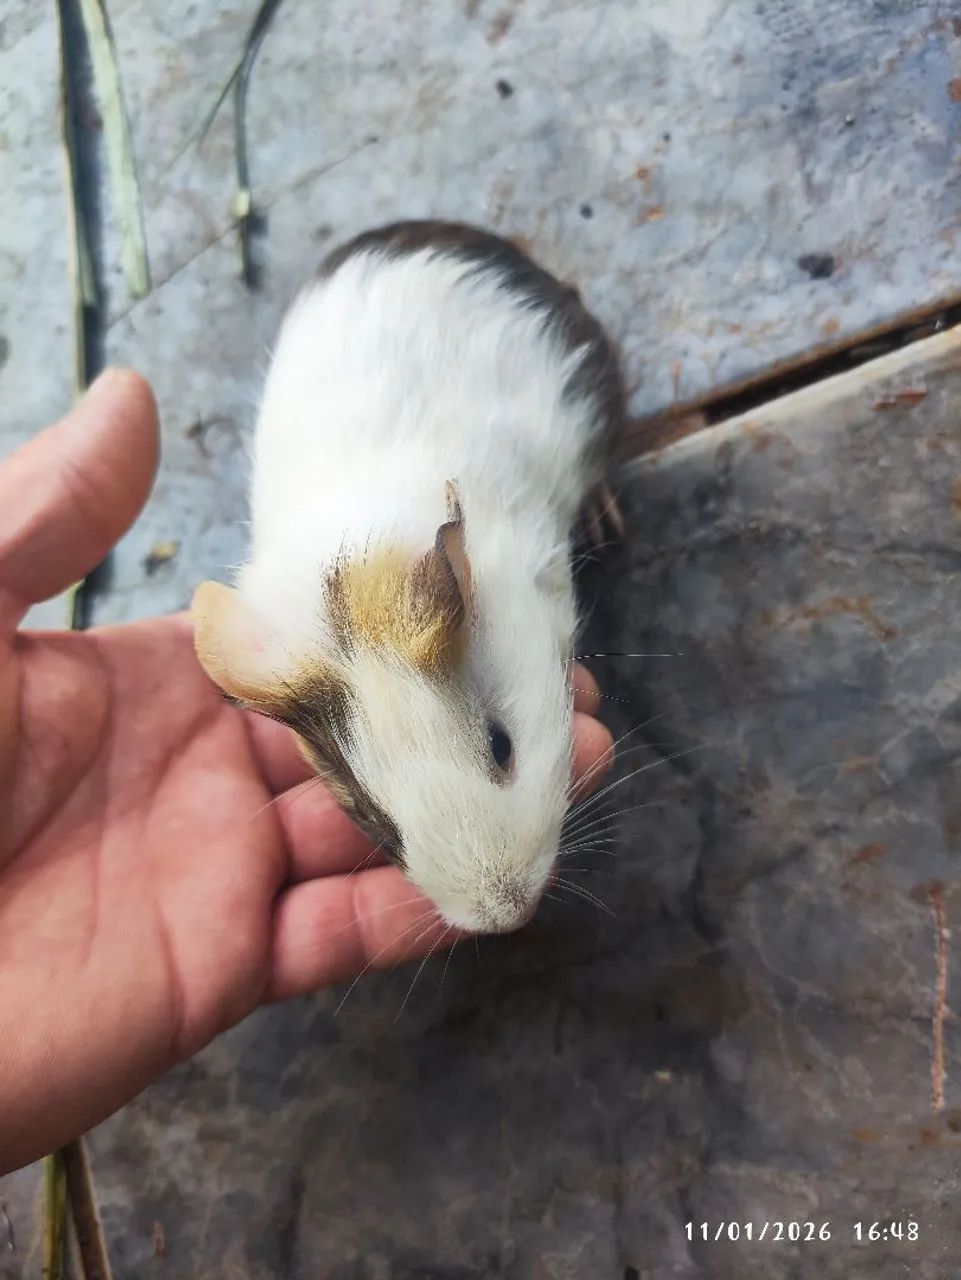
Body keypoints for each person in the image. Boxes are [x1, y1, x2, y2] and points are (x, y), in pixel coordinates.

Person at [0, 370, 614, 1175]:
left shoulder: (478, 541)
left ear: (468, 583)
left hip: (475, 390)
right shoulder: (295, 643)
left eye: (498, 748)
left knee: (590, 417)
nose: (496, 903)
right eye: (384, 825)